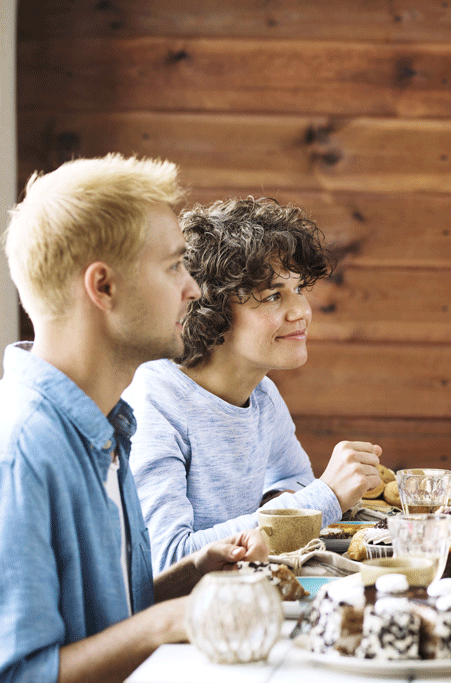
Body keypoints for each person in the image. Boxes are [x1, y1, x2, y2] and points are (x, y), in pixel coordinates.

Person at [0, 154, 269, 683]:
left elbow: (103, 619)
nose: (192, 288)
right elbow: (20, 675)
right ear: (103, 288)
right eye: (173, 266)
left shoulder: (105, 424)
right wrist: (165, 623)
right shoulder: (22, 450)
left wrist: (188, 577)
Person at [123, 196, 383, 572]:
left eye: (300, 290)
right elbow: (166, 560)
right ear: (211, 308)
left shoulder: (261, 394)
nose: (302, 312)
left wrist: (290, 502)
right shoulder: (155, 404)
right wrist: (323, 497)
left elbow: (292, 480)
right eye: (275, 295)